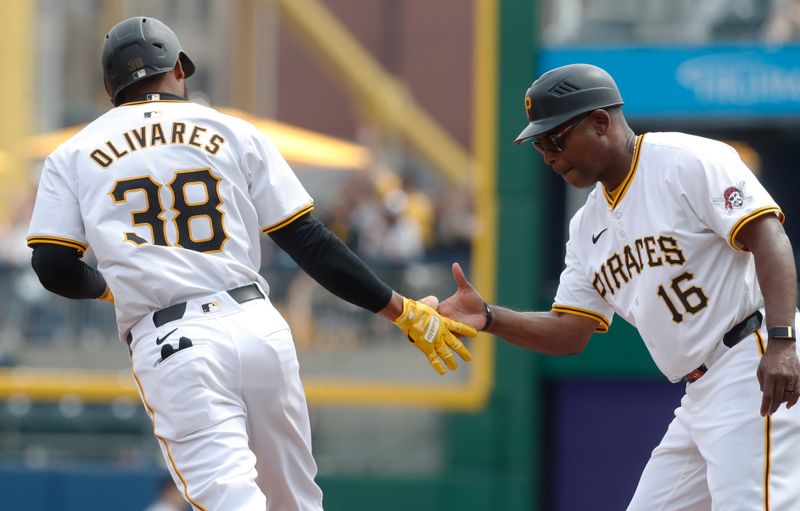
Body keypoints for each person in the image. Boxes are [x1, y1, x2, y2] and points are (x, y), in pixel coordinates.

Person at [26, 17, 476, 511]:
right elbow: (309, 241)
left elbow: (53, 266)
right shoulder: (232, 129)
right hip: (259, 326)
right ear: (178, 68)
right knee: (298, 504)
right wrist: (402, 310)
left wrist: (112, 289)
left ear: (111, 87)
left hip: (176, 343)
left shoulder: (73, 153)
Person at [437, 63, 800, 509]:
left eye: (554, 139)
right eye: (538, 146)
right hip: (698, 392)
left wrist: (783, 341)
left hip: (751, 362)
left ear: (601, 122)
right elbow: (569, 333)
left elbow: (769, 236)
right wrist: (490, 318)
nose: (548, 155)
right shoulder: (586, 225)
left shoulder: (684, 160)